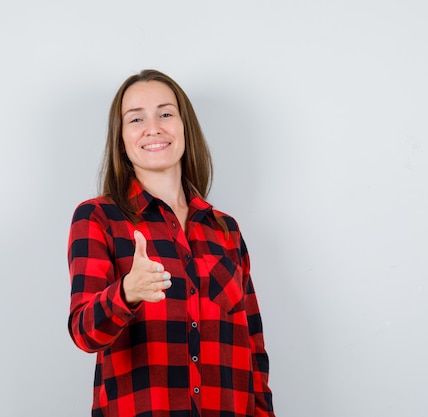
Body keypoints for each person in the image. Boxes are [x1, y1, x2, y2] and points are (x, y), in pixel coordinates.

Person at [67, 69, 275, 417]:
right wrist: (127, 292)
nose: (154, 127)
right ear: (120, 138)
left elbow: (253, 346)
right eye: (136, 119)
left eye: (166, 113)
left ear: (184, 127)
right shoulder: (98, 217)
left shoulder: (226, 230)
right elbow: (84, 333)